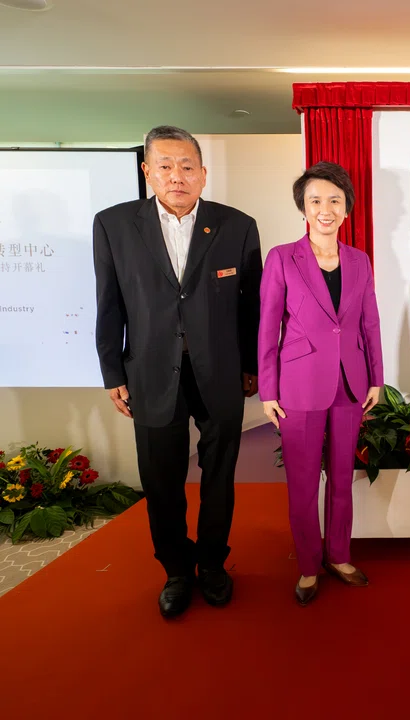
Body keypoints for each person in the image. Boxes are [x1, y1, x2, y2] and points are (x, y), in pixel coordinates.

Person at [93, 125, 262, 618]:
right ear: (148, 171)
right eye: (165, 166)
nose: (176, 176)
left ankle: (212, 564)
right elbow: (109, 304)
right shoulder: (114, 225)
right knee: (161, 479)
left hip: (220, 373)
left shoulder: (237, 225)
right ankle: (176, 570)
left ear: (203, 174)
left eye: (187, 166)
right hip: (148, 372)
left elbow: (251, 306)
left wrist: (251, 365)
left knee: (219, 475)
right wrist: (112, 371)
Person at [258, 162, 383, 606]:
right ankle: (309, 565)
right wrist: (268, 390)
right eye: (315, 201)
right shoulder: (281, 258)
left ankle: (339, 556)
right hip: (299, 385)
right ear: (303, 208)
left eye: (334, 200)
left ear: (347, 209)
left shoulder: (359, 260)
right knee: (303, 482)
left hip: (350, 383)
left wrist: (377, 378)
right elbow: (268, 326)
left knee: (343, 478)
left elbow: (370, 322)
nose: (325, 209)